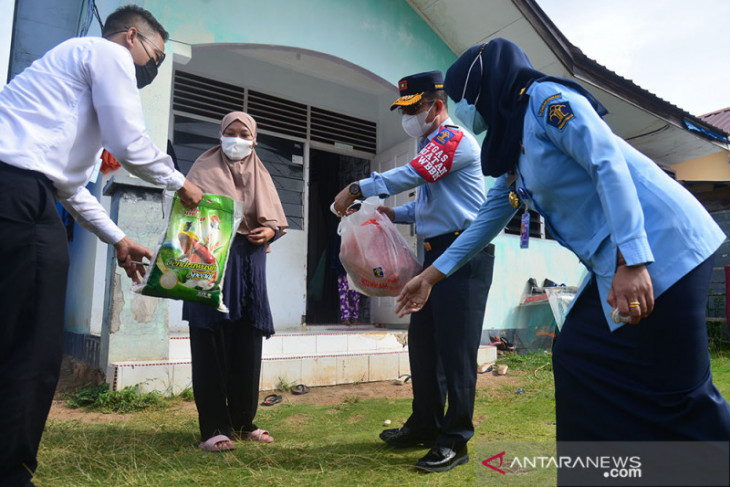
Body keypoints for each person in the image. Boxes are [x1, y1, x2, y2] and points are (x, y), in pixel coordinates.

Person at [396, 38, 730, 462]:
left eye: (463, 98)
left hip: (663, 244)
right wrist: (429, 276)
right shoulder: (513, 150)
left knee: (680, 393)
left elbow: (604, 160)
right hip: (617, 263)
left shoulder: (544, 100)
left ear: (486, 86)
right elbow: (484, 223)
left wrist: (632, 258)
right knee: (580, 358)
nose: (463, 111)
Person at [0, 5, 204, 486]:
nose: (152, 67)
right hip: (18, 196)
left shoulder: (70, 89)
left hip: (27, 196)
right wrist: (180, 183)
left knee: (16, 335)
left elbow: (70, 189)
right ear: (132, 37)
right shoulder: (105, 53)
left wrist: (118, 238)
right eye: (155, 54)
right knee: (32, 347)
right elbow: (129, 143)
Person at [333, 70, 494, 473]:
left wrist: (358, 188)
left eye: (414, 108)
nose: (408, 117)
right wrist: (393, 212)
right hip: (436, 253)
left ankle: (456, 440)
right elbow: (428, 205)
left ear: (437, 106)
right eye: (404, 110)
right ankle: (425, 423)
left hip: (465, 252)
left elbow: (412, 176)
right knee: (424, 347)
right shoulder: (430, 141)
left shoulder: (452, 139)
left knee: (456, 354)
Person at [183, 111, 288, 452]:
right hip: (209, 259)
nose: (238, 139)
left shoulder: (261, 172)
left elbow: (275, 219)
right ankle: (213, 426)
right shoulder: (202, 167)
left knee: (247, 342)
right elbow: (185, 213)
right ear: (220, 135)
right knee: (210, 341)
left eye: (245, 134)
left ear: (254, 139)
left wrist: (270, 230)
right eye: (231, 132)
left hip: (249, 262)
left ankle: (244, 421)